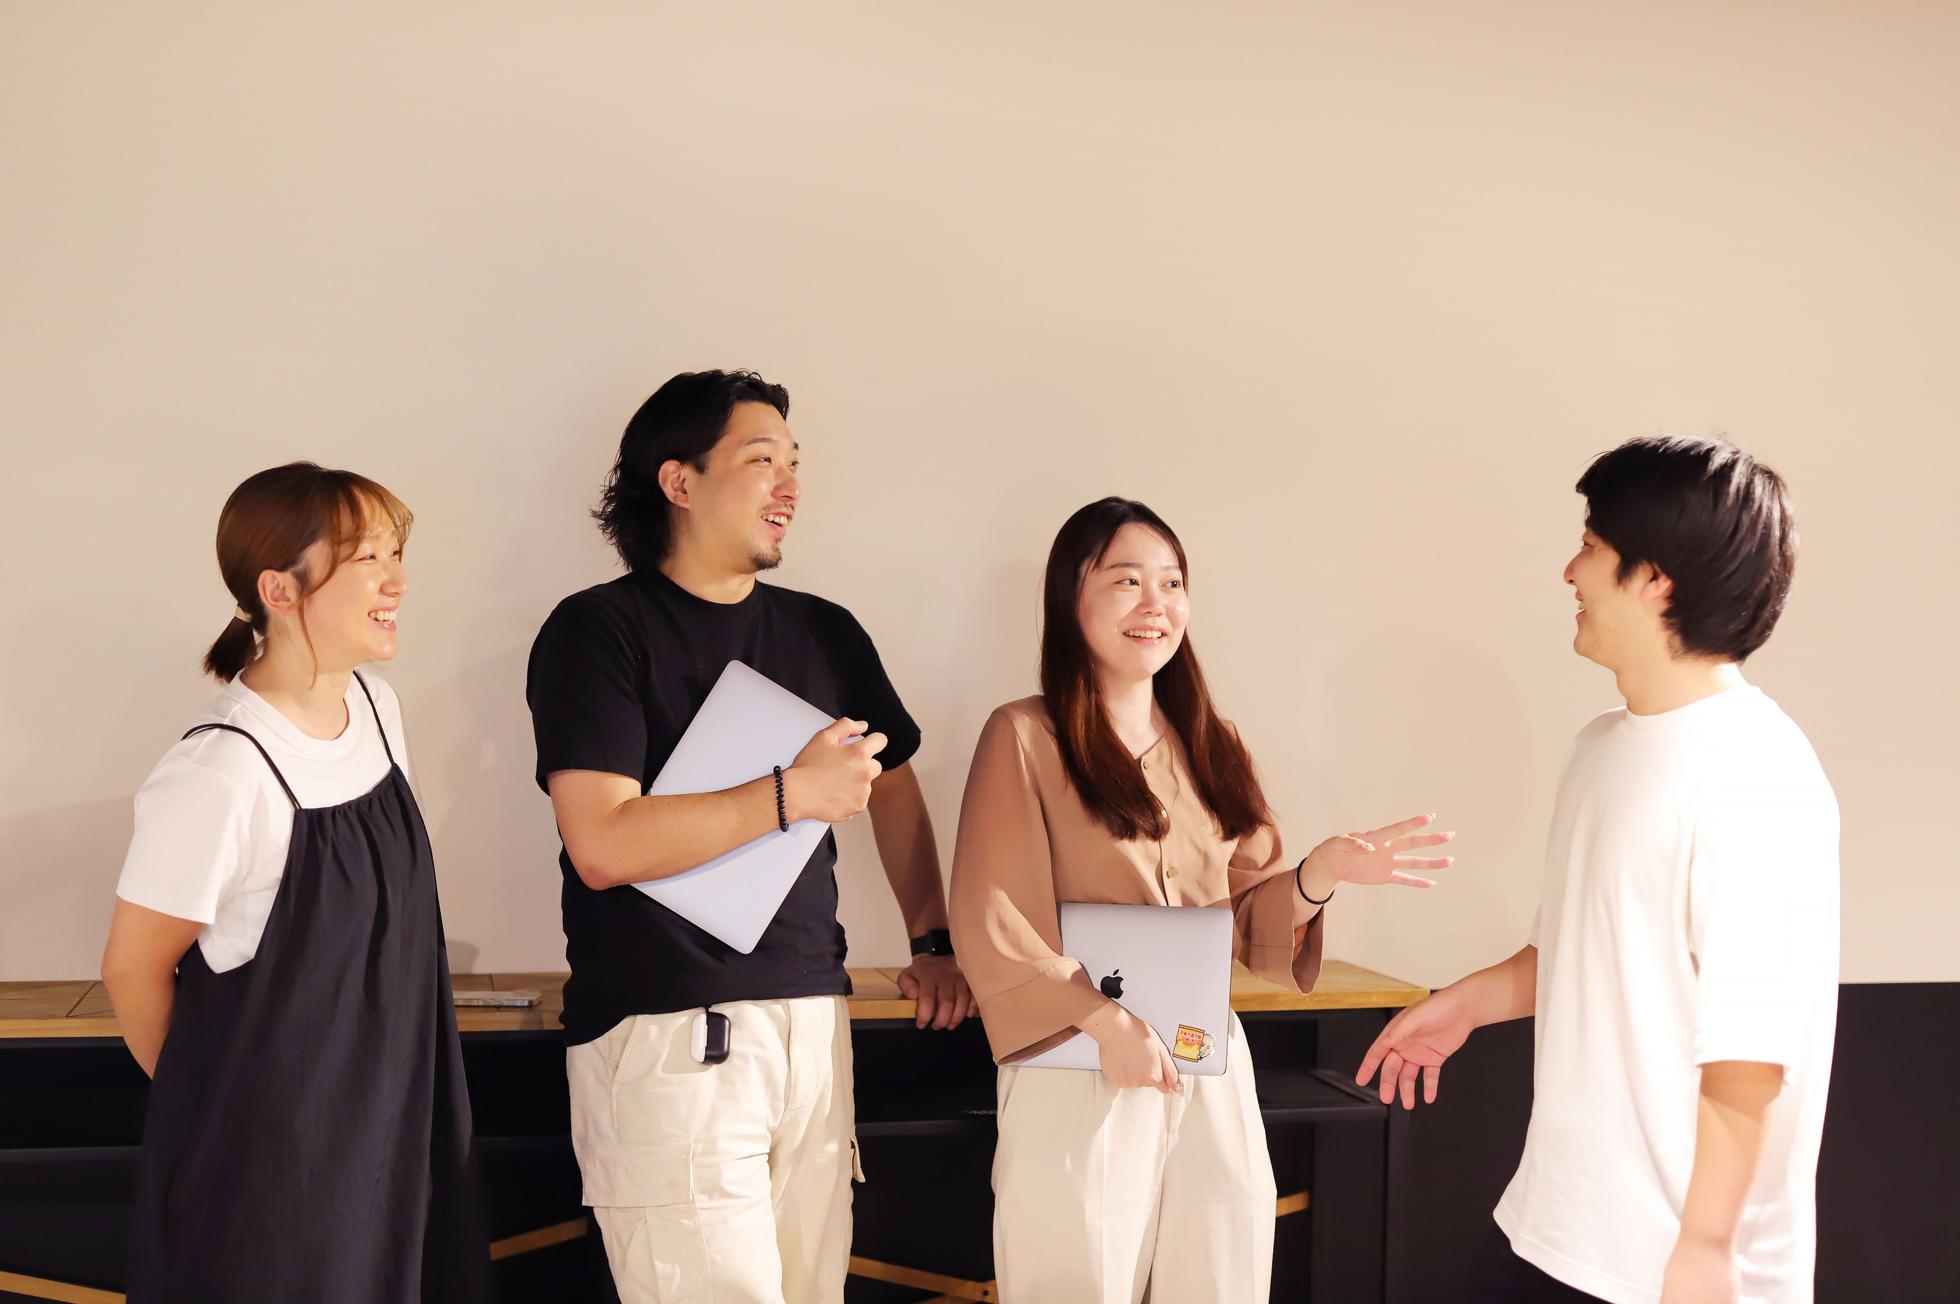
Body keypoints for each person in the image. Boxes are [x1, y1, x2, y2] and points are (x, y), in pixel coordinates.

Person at [526, 369, 976, 1303]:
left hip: (813, 1019)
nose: (791, 486)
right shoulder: (597, 630)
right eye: (762, 459)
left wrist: (931, 937)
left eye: (795, 463)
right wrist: (791, 794)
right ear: (678, 481)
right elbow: (602, 844)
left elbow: (889, 785)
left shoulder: (825, 632)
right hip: (668, 1028)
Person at [1358, 436, 1838, 1304]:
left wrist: (1705, 1252)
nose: (1569, 572)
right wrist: (1467, 1004)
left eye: (1590, 545)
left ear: (1655, 577)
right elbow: (1582, 953)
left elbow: (1752, 1050)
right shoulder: (1600, 749)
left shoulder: (1757, 774)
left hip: (1668, 1269)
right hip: (1550, 1227)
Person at [949, 496, 1453, 1303]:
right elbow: (995, 915)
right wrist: (1107, 1023)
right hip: (1077, 1053)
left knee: (1221, 1268)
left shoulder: (1214, 744)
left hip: (1205, 1054)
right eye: (1127, 581)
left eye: (1173, 582)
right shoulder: (1025, 736)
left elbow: (1250, 919)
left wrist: (1319, 874)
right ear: (1070, 597)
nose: (1156, 604)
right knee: (1075, 1278)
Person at [103, 462, 487, 1302]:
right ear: (280, 589)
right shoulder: (221, 771)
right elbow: (131, 971)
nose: (396, 581)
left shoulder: (378, 711)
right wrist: (230, 1115)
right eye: (367, 559)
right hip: (273, 1191)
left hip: (393, 1144)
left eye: (396, 553)